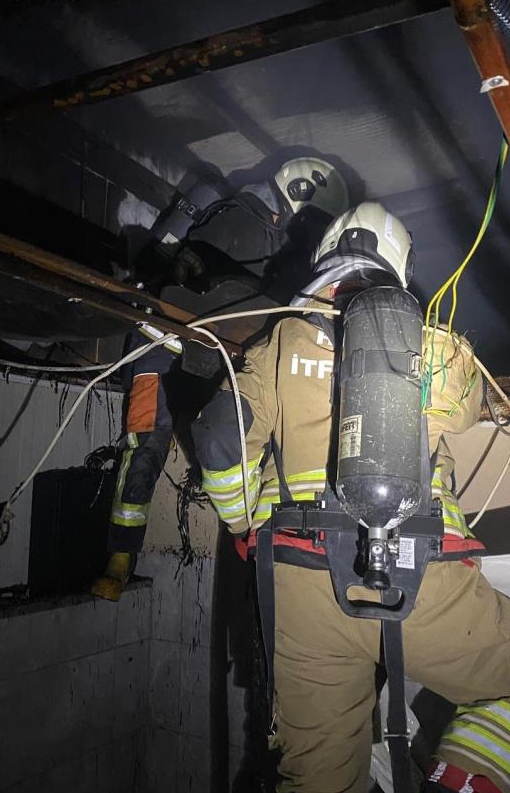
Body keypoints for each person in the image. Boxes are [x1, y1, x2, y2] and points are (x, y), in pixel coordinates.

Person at [191, 202, 510, 793]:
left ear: (326, 258)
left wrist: (244, 527)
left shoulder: (278, 341)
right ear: (395, 266)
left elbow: (216, 438)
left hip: (301, 594)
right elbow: (474, 406)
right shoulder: (430, 341)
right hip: (420, 581)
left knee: (319, 789)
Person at [90, 157, 349, 601]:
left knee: (183, 444)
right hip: (159, 347)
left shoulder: (262, 231)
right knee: (144, 445)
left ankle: (127, 554)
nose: (309, 231)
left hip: (200, 360)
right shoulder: (245, 224)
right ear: (299, 199)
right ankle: (120, 554)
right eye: (314, 219)